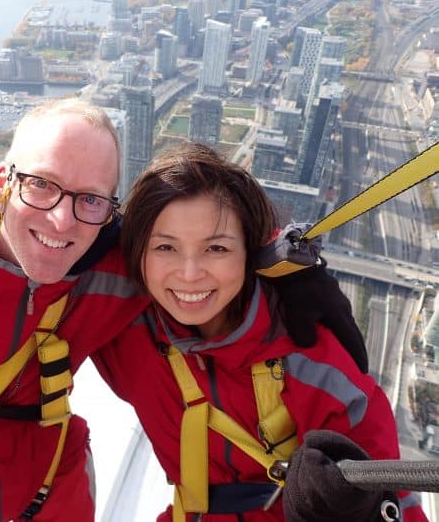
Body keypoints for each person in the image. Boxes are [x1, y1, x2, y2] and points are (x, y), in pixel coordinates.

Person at [0, 99, 367, 522]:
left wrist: (284, 266)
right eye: (41, 185)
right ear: (2, 182)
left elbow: (193, 223)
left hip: (60, 497)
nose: (64, 221)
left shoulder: (116, 267)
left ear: (107, 210)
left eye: (90, 199)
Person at [92, 141, 427, 521]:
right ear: (137, 254)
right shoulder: (125, 326)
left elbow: (397, 498)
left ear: (249, 253)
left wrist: (362, 512)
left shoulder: (311, 365)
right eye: (165, 247)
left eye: (216, 249)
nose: (189, 274)